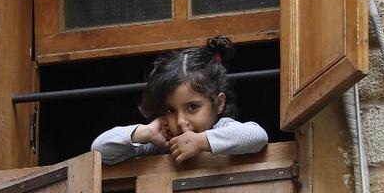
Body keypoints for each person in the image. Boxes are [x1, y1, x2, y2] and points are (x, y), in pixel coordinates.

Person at [91, 36, 268, 165]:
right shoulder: (163, 144)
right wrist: (146, 133)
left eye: (192, 107)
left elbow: (258, 136)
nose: (180, 121)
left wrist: (200, 142)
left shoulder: (222, 128)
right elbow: (98, 151)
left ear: (219, 103)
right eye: (170, 110)